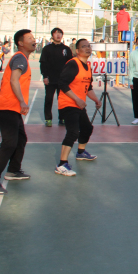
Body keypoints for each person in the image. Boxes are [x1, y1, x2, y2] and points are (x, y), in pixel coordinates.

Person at [0, 29, 36, 195]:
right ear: (20, 43)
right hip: (7, 107)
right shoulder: (20, 58)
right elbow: (14, 80)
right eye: (30, 38)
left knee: (21, 139)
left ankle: (13, 170)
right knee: (9, 143)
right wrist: (22, 101)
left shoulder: (23, 58)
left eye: (33, 37)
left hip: (12, 108)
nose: (34, 40)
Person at [54, 39, 102, 177]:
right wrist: (77, 99)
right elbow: (62, 83)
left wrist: (96, 99)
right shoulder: (73, 64)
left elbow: (88, 88)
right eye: (84, 46)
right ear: (77, 50)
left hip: (78, 104)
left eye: (89, 46)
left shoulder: (87, 67)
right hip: (68, 103)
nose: (87, 48)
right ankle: (62, 164)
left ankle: (81, 152)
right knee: (73, 132)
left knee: (87, 128)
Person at [39, 28, 74, 127]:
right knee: (49, 99)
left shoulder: (66, 49)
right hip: (50, 79)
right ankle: (48, 119)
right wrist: (45, 76)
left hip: (62, 80)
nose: (58, 35)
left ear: (62, 35)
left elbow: (70, 64)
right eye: (56, 33)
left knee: (62, 100)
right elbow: (43, 63)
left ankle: (62, 118)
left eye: (60, 33)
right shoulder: (47, 49)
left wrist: (69, 77)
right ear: (52, 35)